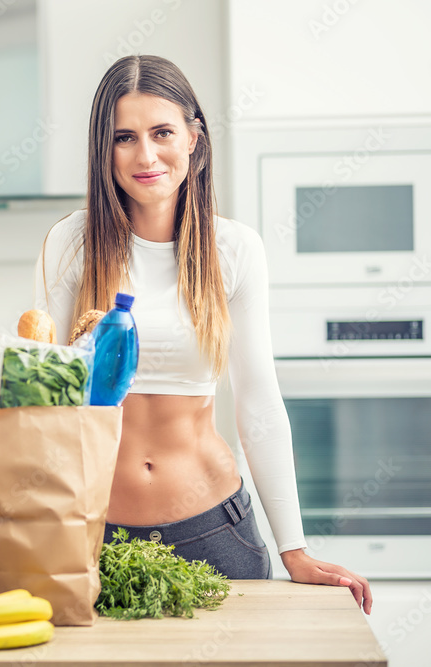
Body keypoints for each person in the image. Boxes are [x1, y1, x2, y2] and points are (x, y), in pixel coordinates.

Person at [33, 54, 372, 613]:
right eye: (124, 137)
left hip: (213, 532)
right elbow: (43, 406)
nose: (146, 155)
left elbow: (258, 402)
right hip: (93, 535)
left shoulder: (234, 250)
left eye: (162, 132)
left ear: (194, 138)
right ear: (103, 150)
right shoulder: (70, 244)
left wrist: (295, 548)